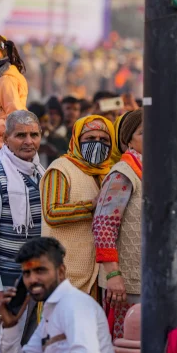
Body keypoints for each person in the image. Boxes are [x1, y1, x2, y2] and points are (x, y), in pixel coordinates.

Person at [0, 110, 45, 353]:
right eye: (20, 135)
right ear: (6, 139)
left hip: (36, 283)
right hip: (6, 285)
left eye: (34, 135)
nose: (29, 141)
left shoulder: (42, 172)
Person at [0, 237, 117, 353]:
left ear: (60, 272)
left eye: (40, 271)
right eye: (27, 273)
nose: (32, 280)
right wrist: (9, 327)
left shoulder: (75, 304)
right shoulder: (51, 311)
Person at [40, 115, 116, 297]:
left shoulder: (108, 172)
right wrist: (91, 206)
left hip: (97, 275)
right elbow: (52, 213)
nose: (97, 144)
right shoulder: (61, 168)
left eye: (104, 140)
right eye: (90, 138)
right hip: (64, 273)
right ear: (77, 140)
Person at [92, 109, 143, 339]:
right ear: (128, 140)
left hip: (150, 278)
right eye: (143, 133)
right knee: (128, 348)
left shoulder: (160, 169)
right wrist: (113, 275)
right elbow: (103, 226)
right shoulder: (123, 173)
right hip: (126, 283)